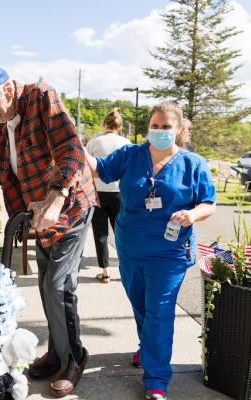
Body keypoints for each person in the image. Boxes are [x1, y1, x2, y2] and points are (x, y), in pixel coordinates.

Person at [0, 63, 97, 398]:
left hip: (70, 207)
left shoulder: (41, 97)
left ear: (6, 90)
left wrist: (57, 196)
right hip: (40, 213)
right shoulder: (6, 121)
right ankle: (57, 353)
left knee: (57, 287)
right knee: (49, 286)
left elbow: (71, 150)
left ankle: (75, 357)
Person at [84, 101, 216, 400]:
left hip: (169, 253)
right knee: (141, 304)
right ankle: (148, 349)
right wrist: (71, 143)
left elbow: (208, 203)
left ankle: (156, 378)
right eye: (154, 126)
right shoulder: (131, 155)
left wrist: (192, 215)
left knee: (160, 311)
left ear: (179, 129)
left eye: (166, 127)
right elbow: (99, 170)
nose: (158, 131)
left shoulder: (193, 164)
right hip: (130, 248)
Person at [86, 108, 130, 283]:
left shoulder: (94, 142)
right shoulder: (126, 143)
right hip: (119, 193)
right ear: (119, 126)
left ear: (105, 124)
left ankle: (105, 272)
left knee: (100, 233)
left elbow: (87, 167)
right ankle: (125, 269)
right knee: (121, 232)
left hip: (98, 193)